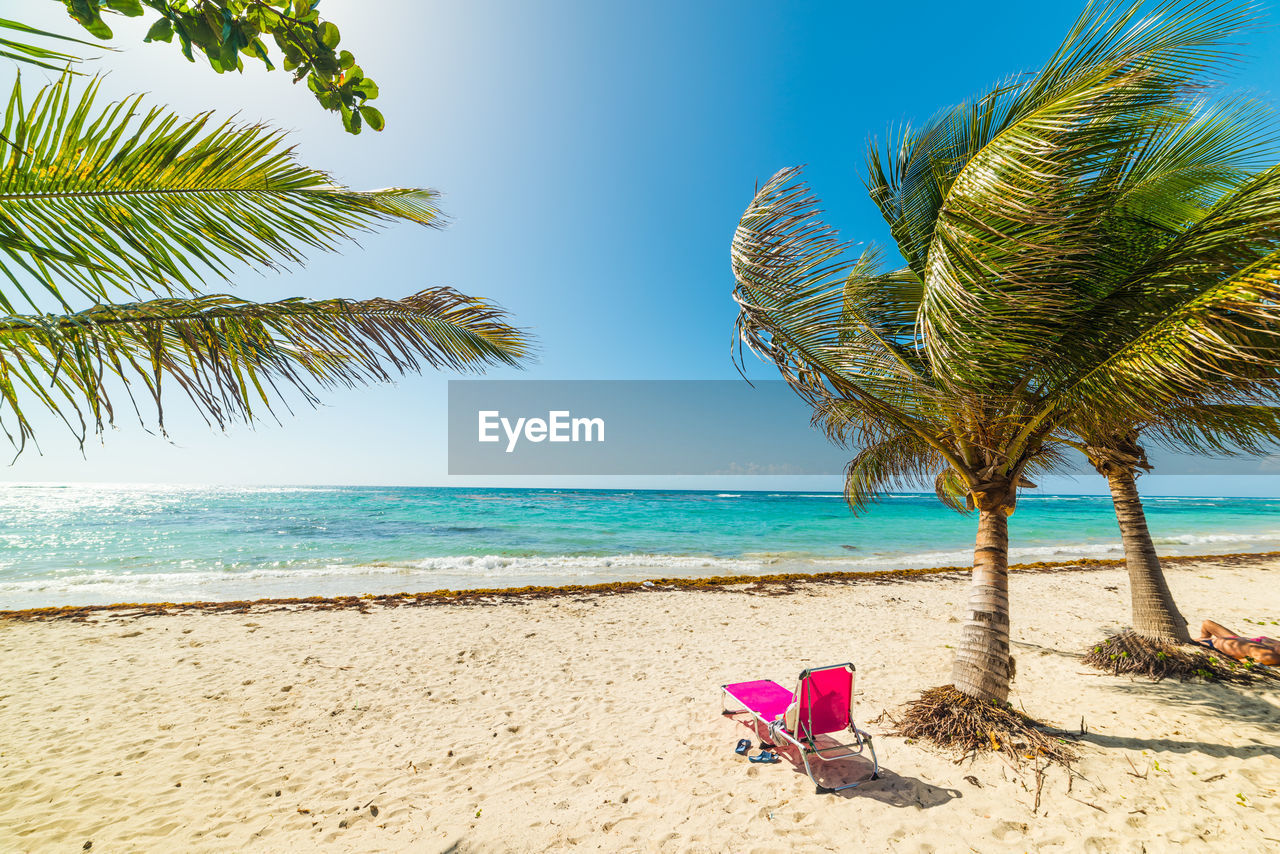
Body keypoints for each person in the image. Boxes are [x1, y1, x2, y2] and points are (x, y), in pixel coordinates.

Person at [1196, 620, 1280, 665]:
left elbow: (1240, 661)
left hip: (1217, 646)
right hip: (1234, 639)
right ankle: (1203, 638)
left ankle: (1202, 640)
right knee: (1207, 624)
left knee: (1191, 643)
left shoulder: (1271, 657)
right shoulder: (1276, 643)